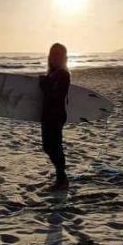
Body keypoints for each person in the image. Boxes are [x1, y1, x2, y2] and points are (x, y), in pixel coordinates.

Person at [39, 42, 71, 191]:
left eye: (58, 55)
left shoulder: (63, 74)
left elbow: (56, 95)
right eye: (53, 55)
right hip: (47, 114)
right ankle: (61, 177)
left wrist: (44, 84)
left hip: (56, 115)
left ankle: (62, 179)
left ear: (64, 57)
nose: (55, 58)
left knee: (55, 147)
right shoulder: (52, 74)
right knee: (47, 147)